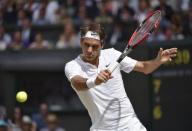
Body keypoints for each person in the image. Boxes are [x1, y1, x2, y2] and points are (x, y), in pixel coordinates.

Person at [64, 23, 177, 131]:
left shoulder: (113, 55)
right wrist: (95, 81)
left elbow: (145, 67)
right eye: (86, 45)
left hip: (131, 126)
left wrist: (158, 61)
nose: (89, 50)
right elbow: (77, 83)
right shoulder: (72, 65)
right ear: (81, 42)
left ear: (102, 45)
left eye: (94, 46)